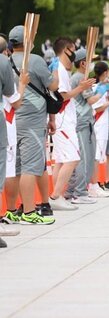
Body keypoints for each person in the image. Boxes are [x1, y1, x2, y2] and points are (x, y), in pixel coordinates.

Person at [5, 25, 58, 225]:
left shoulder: (5, 61)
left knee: (15, 168)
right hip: (33, 121)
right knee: (30, 168)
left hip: (12, 120)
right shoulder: (34, 60)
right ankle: (29, 211)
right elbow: (53, 85)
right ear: (27, 41)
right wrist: (56, 73)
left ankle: (12, 209)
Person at [49, 38, 95, 210]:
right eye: (73, 49)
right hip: (63, 119)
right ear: (67, 49)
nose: (75, 52)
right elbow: (63, 96)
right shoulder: (59, 70)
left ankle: (57, 195)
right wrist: (81, 88)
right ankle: (55, 195)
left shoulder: (61, 69)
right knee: (73, 158)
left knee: (61, 160)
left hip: (63, 118)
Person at [0, 35, 28, 246]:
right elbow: (15, 101)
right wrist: (23, 84)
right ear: (6, 51)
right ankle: (6, 212)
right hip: (4, 121)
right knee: (4, 169)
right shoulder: (3, 64)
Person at [66, 50, 102, 203]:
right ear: (82, 63)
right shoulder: (81, 77)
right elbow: (90, 100)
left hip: (83, 121)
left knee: (82, 156)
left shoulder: (78, 77)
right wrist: (102, 92)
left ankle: (71, 191)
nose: (92, 64)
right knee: (84, 158)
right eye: (90, 61)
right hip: (82, 122)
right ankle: (80, 192)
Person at [88, 61, 109, 196]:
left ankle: (97, 184)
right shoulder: (97, 88)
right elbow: (97, 108)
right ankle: (95, 185)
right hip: (98, 125)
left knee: (99, 156)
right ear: (106, 72)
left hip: (104, 125)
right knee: (96, 156)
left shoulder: (104, 87)